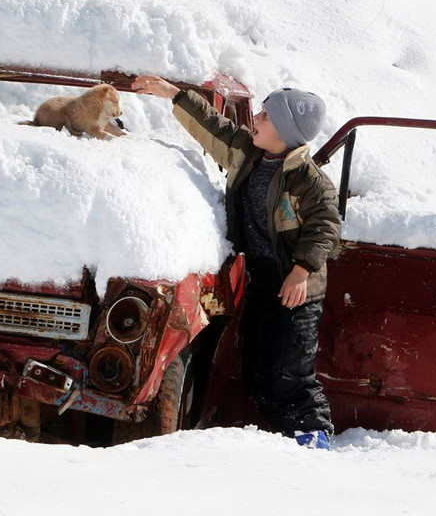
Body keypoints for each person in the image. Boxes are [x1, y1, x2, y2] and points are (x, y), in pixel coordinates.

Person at [132, 75, 341, 449]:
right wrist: (174, 95)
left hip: (298, 291)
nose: (255, 120)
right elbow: (213, 126)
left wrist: (301, 271)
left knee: (291, 373)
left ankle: (315, 434)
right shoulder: (248, 151)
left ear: (286, 131)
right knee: (256, 372)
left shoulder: (311, 182)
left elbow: (325, 226)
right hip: (262, 282)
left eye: (264, 116)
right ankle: (284, 438)